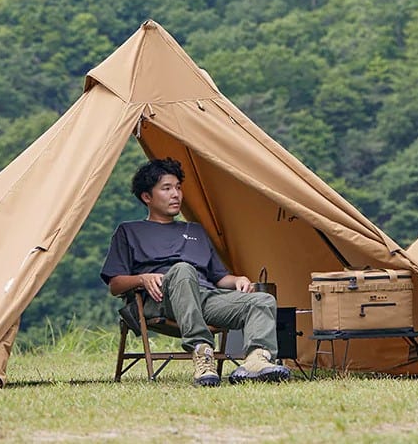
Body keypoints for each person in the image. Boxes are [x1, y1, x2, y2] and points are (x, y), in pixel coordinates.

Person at [101, 157, 291, 386]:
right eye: (166, 188)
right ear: (147, 197)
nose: (176, 194)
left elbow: (218, 277)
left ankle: (256, 362)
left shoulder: (195, 231)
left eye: (178, 188)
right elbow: (115, 285)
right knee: (183, 270)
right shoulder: (130, 231)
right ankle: (202, 351)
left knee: (262, 300)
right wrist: (142, 278)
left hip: (204, 298)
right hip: (161, 299)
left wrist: (237, 280)